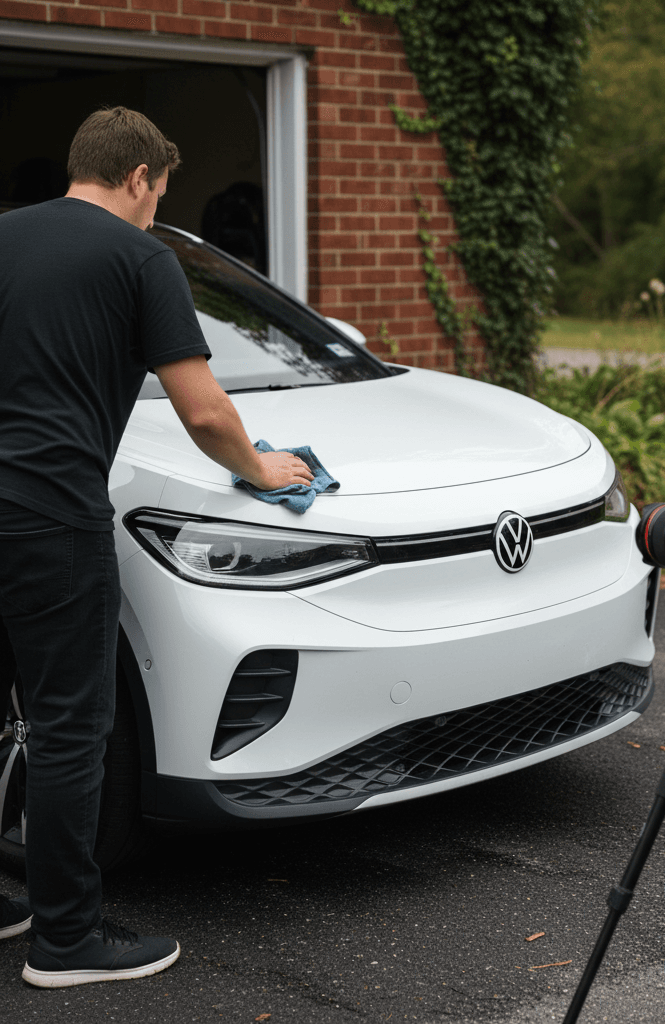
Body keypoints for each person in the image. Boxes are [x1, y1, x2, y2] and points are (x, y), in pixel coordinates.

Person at [0, 107, 313, 988]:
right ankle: (66, 940)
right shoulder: (141, 258)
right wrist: (263, 469)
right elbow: (206, 411)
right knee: (69, 726)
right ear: (139, 176)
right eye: (158, 194)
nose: (153, 210)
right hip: (49, 517)